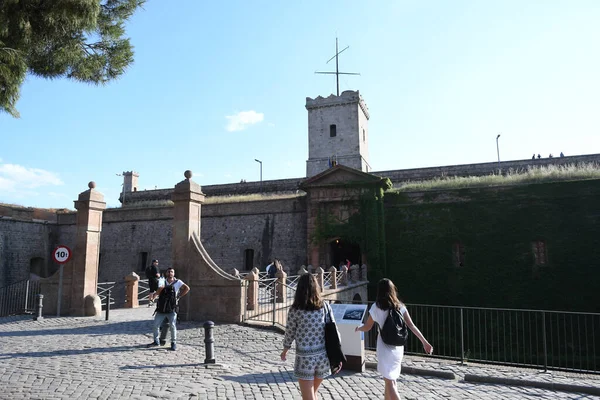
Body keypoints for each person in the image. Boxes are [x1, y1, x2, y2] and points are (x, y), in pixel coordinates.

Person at [355, 278, 433, 400]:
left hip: (384, 348)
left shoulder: (376, 307)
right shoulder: (400, 306)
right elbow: (411, 325)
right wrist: (425, 342)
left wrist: (359, 328)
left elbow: (368, 326)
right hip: (398, 348)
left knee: (390, 382)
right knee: (390, 381)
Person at [280, 274, 342, 400]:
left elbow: (290, 332)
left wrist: (285, 350)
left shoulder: (295, 310)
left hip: (305, 359)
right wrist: (338, 352)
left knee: (309, 397)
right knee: (313, 394)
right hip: (322, 358)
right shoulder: (325, 306)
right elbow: (334, 330)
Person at [147, 267, 190, 351]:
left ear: (174, 273)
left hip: (172, 307)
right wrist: (153, 298)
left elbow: (187, 288)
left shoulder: (178, 282)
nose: (170, 273)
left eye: (172, 272)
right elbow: (159, 291)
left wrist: (179, 296)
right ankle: (156, 341)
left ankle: (173, 343)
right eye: (168, 272)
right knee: (155, 325)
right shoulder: (162, 281)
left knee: (172, 326)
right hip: (161, 307)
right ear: (166, 273)